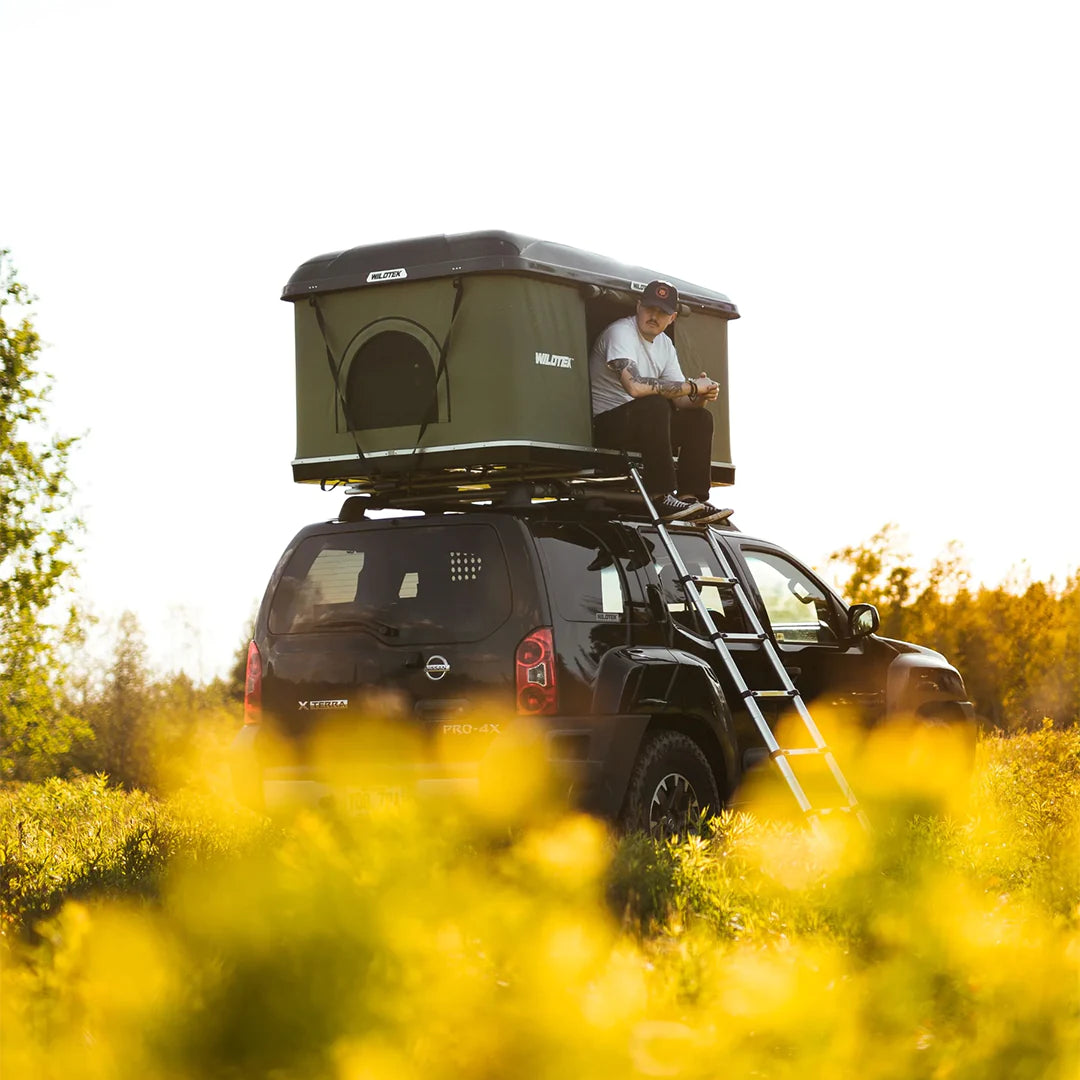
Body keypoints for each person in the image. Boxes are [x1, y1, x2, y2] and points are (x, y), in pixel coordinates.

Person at [590, 279, 734, 524]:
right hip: (606, 425)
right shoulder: (620, 332)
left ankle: (690, 498)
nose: (654, 316)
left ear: (672, 318)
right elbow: (634, 386)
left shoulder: (665, 344)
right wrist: (690, 387)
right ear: (638, 306)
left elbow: (681, 403)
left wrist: (700, 396)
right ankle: (660, 496)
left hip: (645, 426)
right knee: (654, 404)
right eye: (649, 308)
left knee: (700, 418)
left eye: (662, 312)